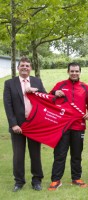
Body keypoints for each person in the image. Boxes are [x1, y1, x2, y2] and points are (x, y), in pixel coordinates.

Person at [3, 56, 46, 192]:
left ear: (30, 68)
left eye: (27, 66)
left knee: (35, 154)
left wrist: (36, 91)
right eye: (22, 65)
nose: (24, 68)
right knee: (18, 155)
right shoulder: (10, 83)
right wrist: (13, 124)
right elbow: (8, 105)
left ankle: (37, 180)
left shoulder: (36, 81)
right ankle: (19, 182)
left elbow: (45, 98)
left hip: (34, 125)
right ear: (18, 68)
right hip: (18, 126)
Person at [47, 62, 88, 191]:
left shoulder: (85, 88)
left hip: (78, 126)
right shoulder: (60, 85)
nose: (74, 73)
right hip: (62, 126)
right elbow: (49, 98)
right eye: (72, 71)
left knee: (77, 154)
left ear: (80, 72)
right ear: (68, 72)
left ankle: (76, 178)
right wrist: (55, 93)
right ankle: (56, 180)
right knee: (60, 153)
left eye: (76, 71)